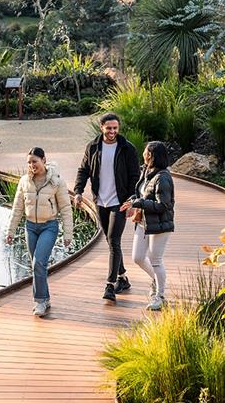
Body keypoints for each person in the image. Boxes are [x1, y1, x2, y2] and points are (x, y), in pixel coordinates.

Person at [74, 112, 140, 304]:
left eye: (115, 128)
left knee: (114, 240)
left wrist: (132, 200)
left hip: (120, 202)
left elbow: (135, 176)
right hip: (100, 201)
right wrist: (78, 191)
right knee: (111, 241)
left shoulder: (127, 148)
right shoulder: (93, 147)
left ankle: (110, 285)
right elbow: (83, 170)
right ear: (101, 127)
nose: (112, 131)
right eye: (109, 128)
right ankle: (123, 277)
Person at [7, 147, 73, 317]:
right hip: (30, 227)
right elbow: (17, 208)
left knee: (38, 262)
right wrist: (11, 231)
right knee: (37, 266)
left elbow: (66, 208)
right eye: (29, 162)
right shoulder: (24, 181)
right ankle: (46, 298)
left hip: (49, 226)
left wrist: (68, 234)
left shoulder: (56, 181)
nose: (31, 165)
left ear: (44, 160)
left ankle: (40, 301)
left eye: (34, 161)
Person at [120, 141, 175, 311]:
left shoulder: (163, 178)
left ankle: (160, 297)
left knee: (156, 260)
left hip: (159, 224)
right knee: (137, 257)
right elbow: (142, 194)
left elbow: (163, 205)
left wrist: (138, 203)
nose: (143, 154)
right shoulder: (147, 171)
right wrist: (132, 201)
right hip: (143, 223)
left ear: (151, 155)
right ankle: (157, 280)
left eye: (145, 152)